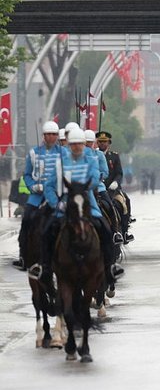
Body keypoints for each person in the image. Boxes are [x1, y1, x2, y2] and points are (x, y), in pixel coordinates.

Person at [28, 128, 124, 285]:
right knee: (47, 230)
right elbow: (50, 186)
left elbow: (95, 178)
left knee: (105, 230)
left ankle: (110, 267)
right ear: (69, 145)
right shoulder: (61, 163)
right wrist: (56, 203)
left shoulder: (91, 160)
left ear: (84, 144)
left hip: (87, 203)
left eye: (80, 144)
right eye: (73, 144)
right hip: (65, 205)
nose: (77, 147)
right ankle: (43, 266)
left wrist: (78, 188)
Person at [12, 120, 65, 270]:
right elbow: (27, 175)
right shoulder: (34, 153)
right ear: (43, 136)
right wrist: (33, 186)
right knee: (27, 219)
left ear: (57, 136)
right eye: (48, 134)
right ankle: (23, 256)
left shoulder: (64, 153)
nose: (51, 137)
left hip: (57, 194)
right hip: (38, 196)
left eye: (54, 134)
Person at [85, 129, 124, 244]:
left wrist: (98, 178)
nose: (88, 144)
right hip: (81, 189)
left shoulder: (99, 155)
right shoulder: (75, 156)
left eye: (90, 142)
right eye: (86, 142)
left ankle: (116, 232)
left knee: (110, 206)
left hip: (99, 187)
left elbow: (105, 172)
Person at [96, 131, 134, 243]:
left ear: (109, 143)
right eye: (100, 141)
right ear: (97, 143)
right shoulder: (93, 155)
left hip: (112, 189)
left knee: (124, 202)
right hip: (97, 188)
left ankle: (124, 232)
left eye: (105, 142)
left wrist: (115, 182)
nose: (102, 144)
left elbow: (119, 173)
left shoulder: (114, 156)